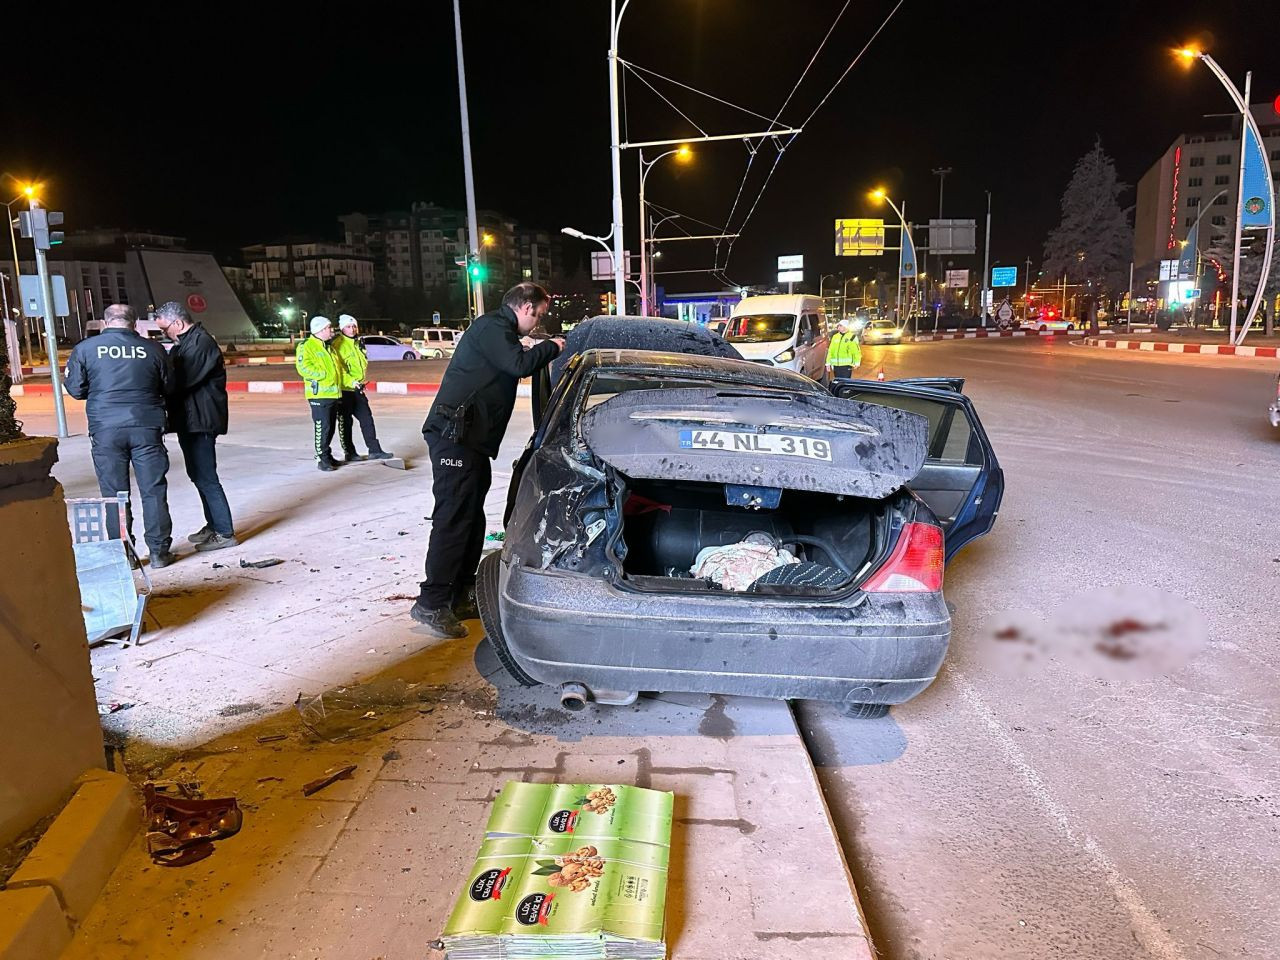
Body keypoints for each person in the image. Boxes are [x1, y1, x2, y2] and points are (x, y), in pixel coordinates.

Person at [410, 282, 564, 638]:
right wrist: (552, 347)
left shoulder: (501, 331)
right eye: (538, 315)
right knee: (453, 518)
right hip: (454, 438)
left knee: (471, 519)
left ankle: (461, 593)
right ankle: (431, 602)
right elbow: (517, 364)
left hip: (471, 441)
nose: (538, 323)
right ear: (525, 307)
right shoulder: (492, 326)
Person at [64, 304, 178, 567]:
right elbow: (169, 386)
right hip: (147, 427)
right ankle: (160, 552)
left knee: (114, 494)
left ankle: (125, 554)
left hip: (106, 429)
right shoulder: (153, 348)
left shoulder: (86, 349)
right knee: (153, 490)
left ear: (105, 323)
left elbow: (77, 390)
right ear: (134, 322)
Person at [154, 301, 238, 551]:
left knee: (207, 477)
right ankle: (213, 524)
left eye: (164, 329)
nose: (164, 334)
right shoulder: (186, 343)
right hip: (190, 420)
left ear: (177, 323)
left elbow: (181, 381)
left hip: (201, 420)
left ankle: (224, 532)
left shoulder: (200, 342)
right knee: (198, 476)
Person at [332, 314, 394, 462]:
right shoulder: (338, 344)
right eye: (348, 326)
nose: (352, 329)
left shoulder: (357, 343)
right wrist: (351, 381)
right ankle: (350, 452)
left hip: (357, 389)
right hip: (345, 390)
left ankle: (374, 450)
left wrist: (359, 382)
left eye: (354, 326)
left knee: (367, 419)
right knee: (346, 422)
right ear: (342, 328)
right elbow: (338, 369)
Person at [294, 316, 343, 471]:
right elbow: (303, 368)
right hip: (319, 394)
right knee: (322, 427)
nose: (332, 330)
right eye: (329, 328)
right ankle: (321, 458)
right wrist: (323, 375)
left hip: (333, 393)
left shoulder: (328, 347)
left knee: (331, 427)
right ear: (320, 330)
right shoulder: (307, 346)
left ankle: (327, 455)